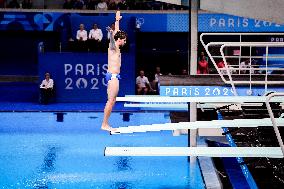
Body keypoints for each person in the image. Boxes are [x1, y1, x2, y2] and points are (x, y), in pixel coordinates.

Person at [101, 11, 127, 132]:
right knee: (111, 101)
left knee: (113, 100)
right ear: (120, 40)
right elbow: (112, 40)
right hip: (113, 77)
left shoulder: (116, 45)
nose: (125, 42)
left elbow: (117, 30)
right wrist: (111, 34)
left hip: (113, 76)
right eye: (124, 40)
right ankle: (104, 124)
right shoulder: (113, 47)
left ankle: (105, 123)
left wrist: (117, 20)